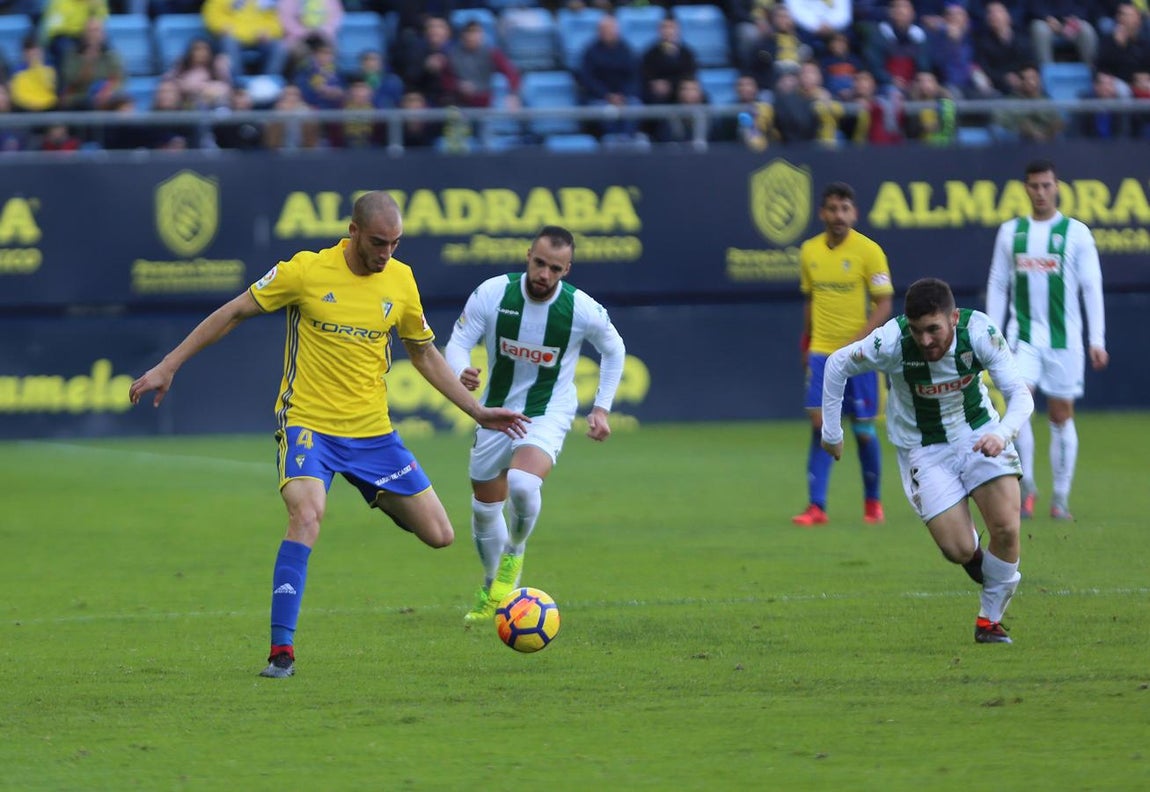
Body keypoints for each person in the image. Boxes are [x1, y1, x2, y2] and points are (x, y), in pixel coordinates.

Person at [128, 192, 530, 678]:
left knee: (440, 535)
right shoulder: (305, 271)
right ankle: (281, 652)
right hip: (308, 425)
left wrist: (476, 410)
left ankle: (374, 490)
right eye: (378, 242)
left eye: (395, 243)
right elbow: (233, 312)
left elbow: (423, 352)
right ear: (353, 231)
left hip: (373, 435)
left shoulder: (400, 280)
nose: (386, 253)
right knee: (307, 515)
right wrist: (169, 365)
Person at [821, 277, 1034, 644]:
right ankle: (975, 556)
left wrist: (1001, 434)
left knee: (1006, 527)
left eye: (933, 329)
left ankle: (989, 620)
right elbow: (837, 363)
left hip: (979, 434)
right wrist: (832, 433)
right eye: (918, 330)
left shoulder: (979, 333)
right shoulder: (891, 341)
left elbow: (1020, 395)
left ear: (953, 318)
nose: (925, 340)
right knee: (958, 550)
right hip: (923, 449)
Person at [443, 226, 626, 623]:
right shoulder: (493, 293)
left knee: (523, 484)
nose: (544, 274)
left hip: (547, 410)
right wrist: (460, 371)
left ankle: (515, 551)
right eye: (539, 263)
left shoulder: (580, 309)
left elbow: (614, 349)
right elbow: (457, 342)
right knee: (484, 510)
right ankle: (492, 587)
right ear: (528, 255)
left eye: (555, 268)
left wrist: (602, 408)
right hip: (494, 411)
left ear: (567, 269)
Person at [986, 159, 1108, 520]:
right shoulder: (1011, 232)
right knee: (1019, 407)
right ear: (1025, 188)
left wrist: (1097, 339)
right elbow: (998, 283)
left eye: (1046, 185)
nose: (1040, 192)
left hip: (1064, 340)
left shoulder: (1077, 233)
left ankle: (1060, 498)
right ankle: (1028, 489)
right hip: (1021, 337)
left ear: (1057, 187)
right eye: (1034, 186)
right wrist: (992, 333)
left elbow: (1091, 286)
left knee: (1060, 415)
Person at [793, 182, 894, 527]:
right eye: (833, 209)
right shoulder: (809, 251)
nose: (839, 215)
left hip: (859, 356)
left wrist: (859, 342)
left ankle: (873, 503)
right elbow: (810, 299)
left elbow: (884, 303)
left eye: (845, 209)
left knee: (863, 430)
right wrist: (806, 343)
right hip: (822, 352)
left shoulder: (869, 251)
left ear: (855, 213)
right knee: (820, 426)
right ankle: (816, 506)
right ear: (822, 213)